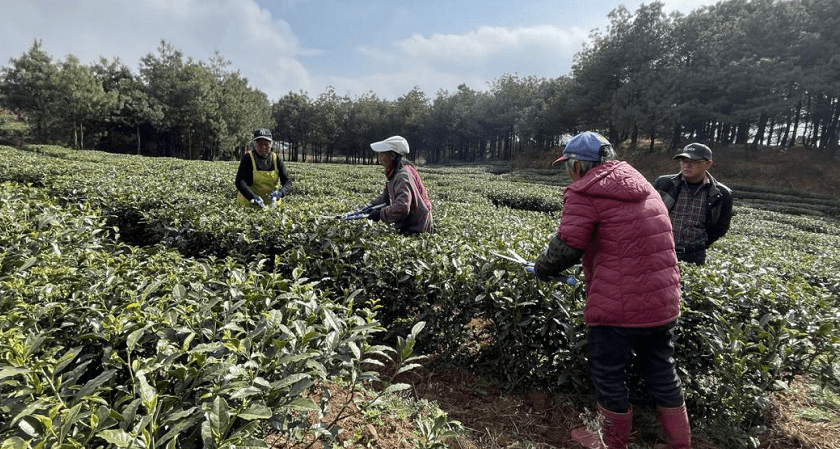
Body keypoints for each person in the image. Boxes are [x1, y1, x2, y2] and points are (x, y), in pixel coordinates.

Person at [531, 131, 690, 448]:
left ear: (578, 166)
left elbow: (567, 247)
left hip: (617, 307)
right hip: (663, 302)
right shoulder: (644, 187)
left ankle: (612, 443)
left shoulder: (585, 191)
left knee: (608, 374)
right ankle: (680, 444)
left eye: (569, 165)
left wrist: (540, 268)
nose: (569, 171)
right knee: (662, 370)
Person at [652, 143, 733, 265]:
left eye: (694, 161)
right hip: (661, 251)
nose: (687, 165)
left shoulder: (722, 193)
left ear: (708, 164)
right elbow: (649, 215)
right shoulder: (663, 184)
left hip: (694, 256)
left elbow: (721, 227)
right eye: (683, 160)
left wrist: (700, 245)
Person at [364, 135, 433, 234]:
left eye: (382, 155)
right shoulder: (395, 172)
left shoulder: (403, 176)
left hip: (416, 227)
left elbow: (402, 207)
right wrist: (372, 205)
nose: (379, 159)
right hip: (409, 223)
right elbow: (386, 196)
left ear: (392, 156)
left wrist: (380, 214)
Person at [235, 128, 292, 208]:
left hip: (272, 205)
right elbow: (240, 181)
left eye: (266, 144)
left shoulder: (276, 159)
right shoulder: (248, 158)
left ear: (271, 144)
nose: (263, 147)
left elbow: (287, 181)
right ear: (255, 144)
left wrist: (280, 193)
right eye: (260, 144)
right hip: (250, 204)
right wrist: (252, 197)